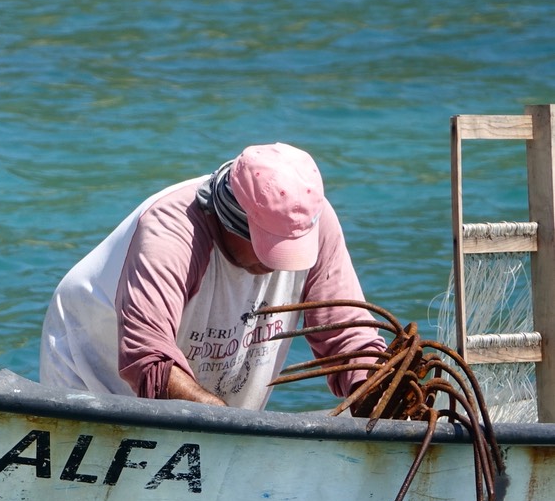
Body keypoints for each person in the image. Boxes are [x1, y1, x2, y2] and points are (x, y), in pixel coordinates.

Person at [39, 143, 384, 410]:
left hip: (214, 384)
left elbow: (347, 336)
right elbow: (148, 360)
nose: (281, 266)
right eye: (272, 248)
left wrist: (377, 390)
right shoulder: (172, 232)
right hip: (94, 370)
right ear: (230, 221)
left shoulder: (310, 219)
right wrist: (221, 420)